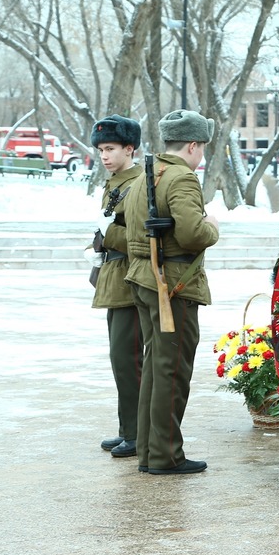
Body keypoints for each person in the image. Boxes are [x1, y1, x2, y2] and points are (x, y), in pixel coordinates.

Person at [121, 109, 220, 475]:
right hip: (172, 287)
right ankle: (165, 455)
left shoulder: (147, 176)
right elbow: (193, 234)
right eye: (202, 148)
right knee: (172, 371)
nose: (202, 156)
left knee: (156, 368)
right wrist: (213, 227)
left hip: (146, 279)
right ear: (193, 146)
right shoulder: (181, 179)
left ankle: (150, 452)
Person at [88, 114, 144, 459]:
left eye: (110, 149)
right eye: (100, 150)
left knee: (129, 360)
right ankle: (128, 428)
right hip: (115, 278)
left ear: (129, 148)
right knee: (120, 359)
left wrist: (107, 234)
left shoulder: (136, 184)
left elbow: (137, 235)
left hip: (130, 279)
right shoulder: (117, 181)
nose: (104, 156)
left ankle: (138, 433)